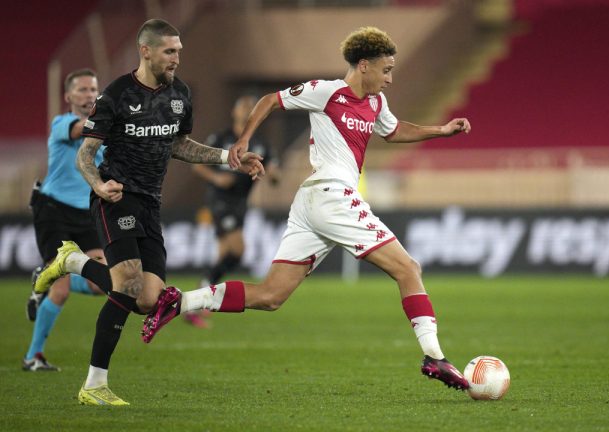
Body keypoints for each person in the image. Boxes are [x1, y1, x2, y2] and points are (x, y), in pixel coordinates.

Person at [142, 26, 473, 391]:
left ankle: (181, 301)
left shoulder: (376, 103)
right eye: (386, 69)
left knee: (271, 296)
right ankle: (435, 357)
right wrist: (244, 139)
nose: (390, 78)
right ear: (364, 65)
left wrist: (441, 130)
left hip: (315, 203)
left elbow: (393, 131)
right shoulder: (327, 92)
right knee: (409, 268)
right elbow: (270, 100)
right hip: (330, 195)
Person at [36, 18, 263, 406]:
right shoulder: (116, 95)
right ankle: (94, 385)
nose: (177, 58)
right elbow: (86, 156)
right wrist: (98, 185)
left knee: (147, 300)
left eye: (178, 51)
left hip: (150, 203)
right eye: (169, 51)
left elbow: (180, 145)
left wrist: (229, 158)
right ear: (146, 50)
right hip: (116, 196)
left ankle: (72, 261)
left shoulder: (180, 94)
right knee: (127, 285)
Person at [24, 69, 114, 372]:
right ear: (69, 97)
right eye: (83, 90)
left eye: (94, 89)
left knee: (104, 283)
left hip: (86, 213)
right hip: (54, 212)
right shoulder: (63, 123)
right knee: (60, 290)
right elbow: (80, 131)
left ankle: (45, 275)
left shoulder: (103, 135)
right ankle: (33, 357)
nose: (89, 95)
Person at [187, 95, 279, 328]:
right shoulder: (221, 138)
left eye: (253, 107)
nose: (248, 110)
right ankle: (200, 297)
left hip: (240, 202)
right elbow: (197, 165)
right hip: (220, 200)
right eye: (244, 106)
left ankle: (196, 302)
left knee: (224, 254)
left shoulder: (261, 144)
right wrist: (217, 178)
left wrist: (271, 174)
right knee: (238, 250)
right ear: (234, 112)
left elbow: (274, 174)